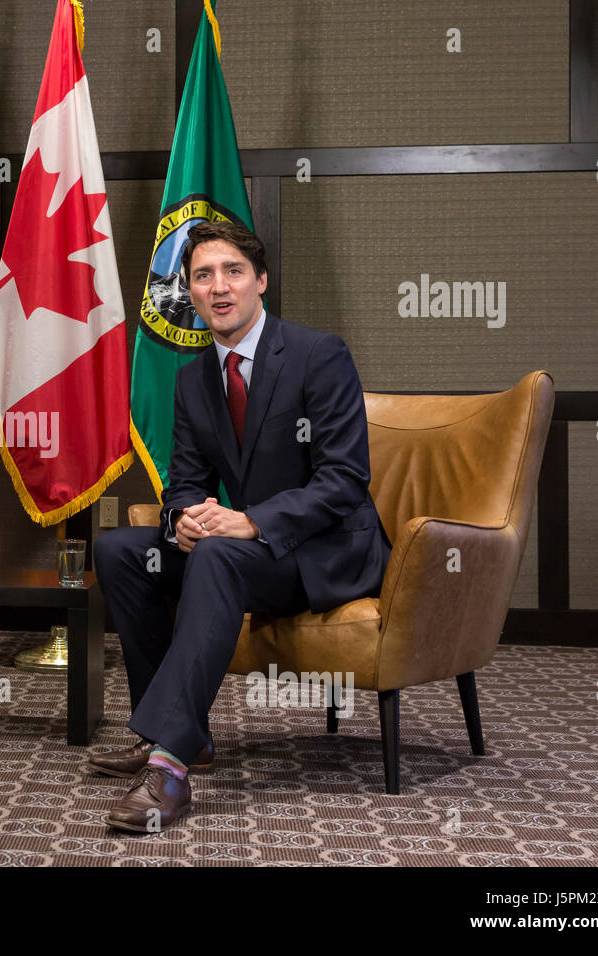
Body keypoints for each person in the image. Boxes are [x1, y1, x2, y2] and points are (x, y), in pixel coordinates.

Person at [92, 220, 391, 832]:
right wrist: (182, 522)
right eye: (203, 276)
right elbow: (183, 481)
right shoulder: (193, 377)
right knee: (122, 549)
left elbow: (343, 480)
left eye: (232, 272)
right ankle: (184, 733)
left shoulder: (317, 353)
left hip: (324, 550)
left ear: (260, 281)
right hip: (251, 553)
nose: (218, 287)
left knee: (218, 558)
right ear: (192, 295)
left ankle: (168, 765)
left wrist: (250, 522)